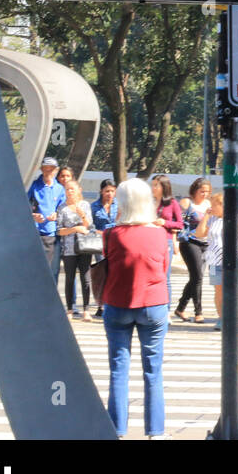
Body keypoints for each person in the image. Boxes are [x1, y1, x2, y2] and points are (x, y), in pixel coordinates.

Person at [101, 177, 171, 439]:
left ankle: (117, 429)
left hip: (117, 305)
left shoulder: (111, 234)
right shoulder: (160, 234)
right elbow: (163, 269)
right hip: (153, 305)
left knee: (119, 370)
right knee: (153, 370)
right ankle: (156, 431)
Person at [196, 191, 238, 325]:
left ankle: (232, 318)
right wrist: (205, 216)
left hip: (234, 260)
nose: (211, 207)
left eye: (213, 205)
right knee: (218, 290)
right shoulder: (212, 218)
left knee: (233, 289)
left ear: (222, 205)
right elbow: (199, 234)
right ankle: (222, 318)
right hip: (214, 260)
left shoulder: (237, 217)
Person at [57, 179, 96, 320]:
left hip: (84, 246)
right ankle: (69, 309)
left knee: (85, 277)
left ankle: (86, 309)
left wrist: (82, 215)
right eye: (67, 189)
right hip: (69, 248)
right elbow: (59, 230)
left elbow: (89, 225)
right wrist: (74, 229)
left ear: (79, 189)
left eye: (72, 189)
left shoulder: (85, 205)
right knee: (69, 278)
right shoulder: (62, 208)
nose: (69, 192)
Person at [174, 178, 210, 324]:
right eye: (202, 191)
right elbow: (179, 222)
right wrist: (176, 240)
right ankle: (198, 312)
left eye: (207, 192)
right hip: (189, 242)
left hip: (206, 243)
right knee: (198, 276)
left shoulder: (209, 204)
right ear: (194, 190)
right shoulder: (186, 203)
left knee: (196, 278)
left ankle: (180, 307)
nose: (205, 194)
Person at [27, 156, 65, 285]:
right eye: (45, 169)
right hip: (34, 231)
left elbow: (63, 207)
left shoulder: (59, 189)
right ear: (41, 169)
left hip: (50, 232)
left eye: (51, 169)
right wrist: (33, 215)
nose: (48, 172)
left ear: (56, 170)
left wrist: (56, 214)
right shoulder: (34, 186)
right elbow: (23, 204)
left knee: (47, 268)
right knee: (32, 265)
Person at [151, 175, 184, 299]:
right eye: (152, 184)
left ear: (164, 187)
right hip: (150, 241)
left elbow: (180, 224)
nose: (153, 188)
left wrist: (165, 223)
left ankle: (167, 308)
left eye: (156, 185)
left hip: (166, 241)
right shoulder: (150, 202)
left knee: (165, 276)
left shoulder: (172, 203)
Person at [90, 178, 118, 317]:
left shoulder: (119, 206)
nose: (110, 194)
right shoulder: (94, 207)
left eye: (112, 191)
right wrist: (98, 231)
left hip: (116, 242)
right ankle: (101, 304)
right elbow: (90, 225)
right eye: (107, 191)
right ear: (101, 191)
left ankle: (112, 302)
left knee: (114, 273)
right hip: (100, 242)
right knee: (102, 273)